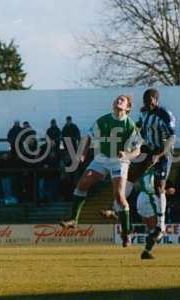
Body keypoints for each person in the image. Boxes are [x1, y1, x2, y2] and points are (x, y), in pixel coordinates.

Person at [60, 95, 142, 247]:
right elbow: (88, 138)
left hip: (119, 161)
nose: (118, 101)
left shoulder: (130, 126)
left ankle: (126, 233)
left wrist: (127, 155)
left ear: (128, 108)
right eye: (117, 99)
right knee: (83, 183)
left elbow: (137, 150)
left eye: (122, 100)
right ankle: (73, 220)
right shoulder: (102, 120)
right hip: (102, 157)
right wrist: (83, 153)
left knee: (119, 196)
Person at [102, 89, 176, 240]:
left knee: (159, 187)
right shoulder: (144, 112)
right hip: (148, 149)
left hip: (164, 152)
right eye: (144, 101)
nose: (146, 104)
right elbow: (138, 128)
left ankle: (160, 226)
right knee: (131, 177)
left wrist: (159, 154)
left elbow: (172, 138)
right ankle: (115, 209)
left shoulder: (165, 114)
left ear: (155, 99)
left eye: (149, 101)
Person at [136, 167, 175, 259]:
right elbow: (160, 191)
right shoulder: (159, 173)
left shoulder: (145, 169)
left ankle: (146, 251)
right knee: (159, 231)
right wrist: (166, 191)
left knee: (154, 231)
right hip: (150, 199)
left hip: (141, 198)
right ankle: (145, 251)